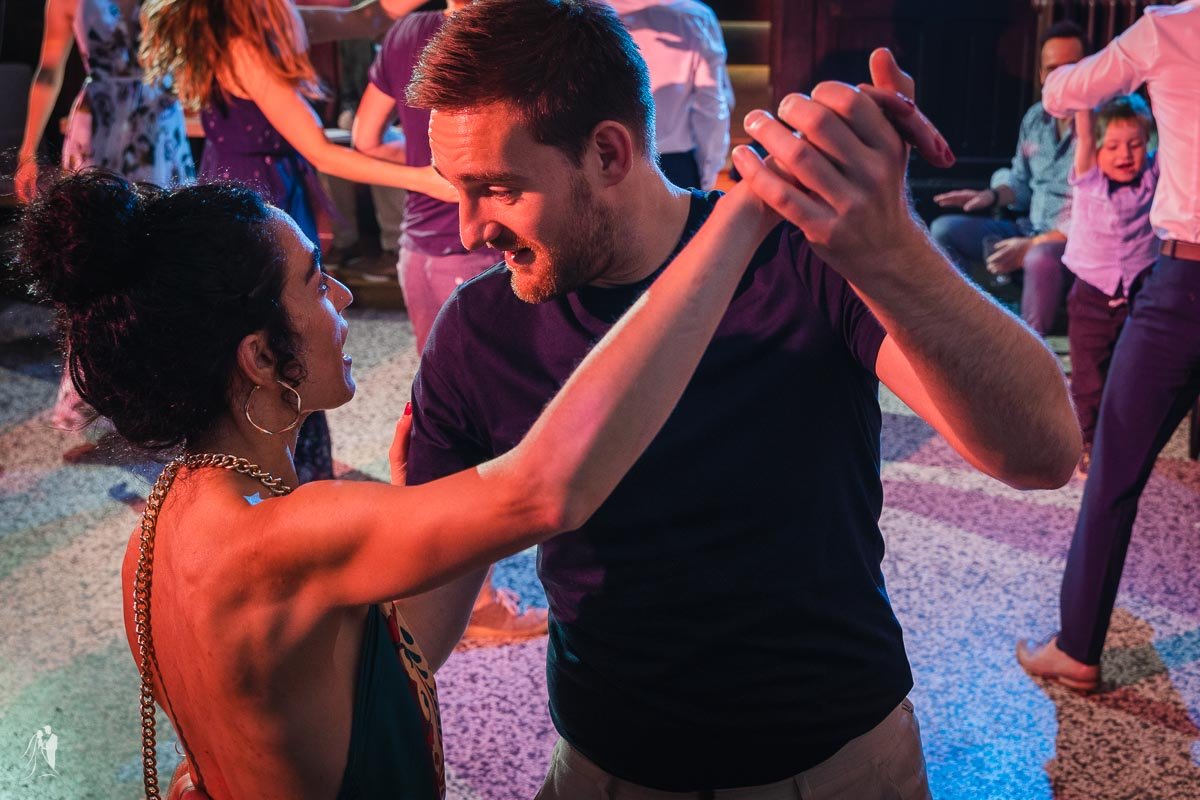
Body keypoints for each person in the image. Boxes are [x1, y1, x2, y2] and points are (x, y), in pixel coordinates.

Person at [405, 1, 1079, 795]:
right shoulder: (479, 331)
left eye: (496, 188)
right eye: (457, 189)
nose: (468, 227)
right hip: (608, 766)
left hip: (835, 760)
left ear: (610, 153)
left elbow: (1041, 453)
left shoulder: (796, 258)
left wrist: (891, 246)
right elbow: (417, 629)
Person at [15, 165, 784, 798]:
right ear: (257, 357)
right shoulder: (297, 532)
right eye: (316, 285)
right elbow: (546, 490)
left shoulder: (157, 533)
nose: (344, 298)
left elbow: (353, 679)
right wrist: (736, 222)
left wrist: (444, 511)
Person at [139, 0, 456, 484]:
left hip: (267, 189)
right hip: (258, 203)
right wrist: (422, 178)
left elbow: (367, 18)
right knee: (281, 341)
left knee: (284, 334)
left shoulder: (273, 21)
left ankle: (288, 473)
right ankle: (276, 479)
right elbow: (322, 152)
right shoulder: (246, 45)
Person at [1017, 1, 1200, 692]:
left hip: (1187, 278)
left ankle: (1079, 648)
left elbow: (1062, 90)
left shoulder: (1174, 27)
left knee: (1114, 473)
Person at [353, 0, 549, 641]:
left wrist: (424, 164)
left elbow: (362, 137)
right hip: (477, 254)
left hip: (419, 247)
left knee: (449, 419)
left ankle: (465, 585)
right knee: (484, 428)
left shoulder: (409, 31)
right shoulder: (502, 37)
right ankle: (478, 599)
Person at [15, 0, 196, 440]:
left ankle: (170, 392)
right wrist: (27, 151)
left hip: (156, 118)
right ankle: (91, 392)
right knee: (92, 254)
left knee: (166, 251)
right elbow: (48, 70)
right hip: (98, 121)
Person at [930, 20, 1086, 334]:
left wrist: (1035, 244)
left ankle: (1030, 354)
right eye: (1052, 69)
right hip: (1030, 226)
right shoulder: (1035, 118)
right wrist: (991, 195)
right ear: (1042, 75)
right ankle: (966, 330)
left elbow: (1105, 210)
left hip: (1074, 243)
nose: (1061, 77)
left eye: (1071, 67)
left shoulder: (1105, 123)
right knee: (944, 229)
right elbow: (1021, 182)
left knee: (1039, 257)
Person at [1062, 95, 1158, 476]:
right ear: (1098, 149)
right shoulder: (1089, 176)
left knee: (1132, 374)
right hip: (1091, 295)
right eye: (1114, 146)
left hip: (1140, 291)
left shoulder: (1153, 175)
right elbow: (1084, 132)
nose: (1125, 154)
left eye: (1135, 145)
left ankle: (1124, 443)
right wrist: (1087, 87)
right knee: (1088, 379)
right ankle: (1085, 443)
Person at [606, 0, 734, 190]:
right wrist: (707, 175)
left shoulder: (584, 15)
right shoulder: (696, 17)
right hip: (677, 166)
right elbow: (712, 108)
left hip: (606, 160)